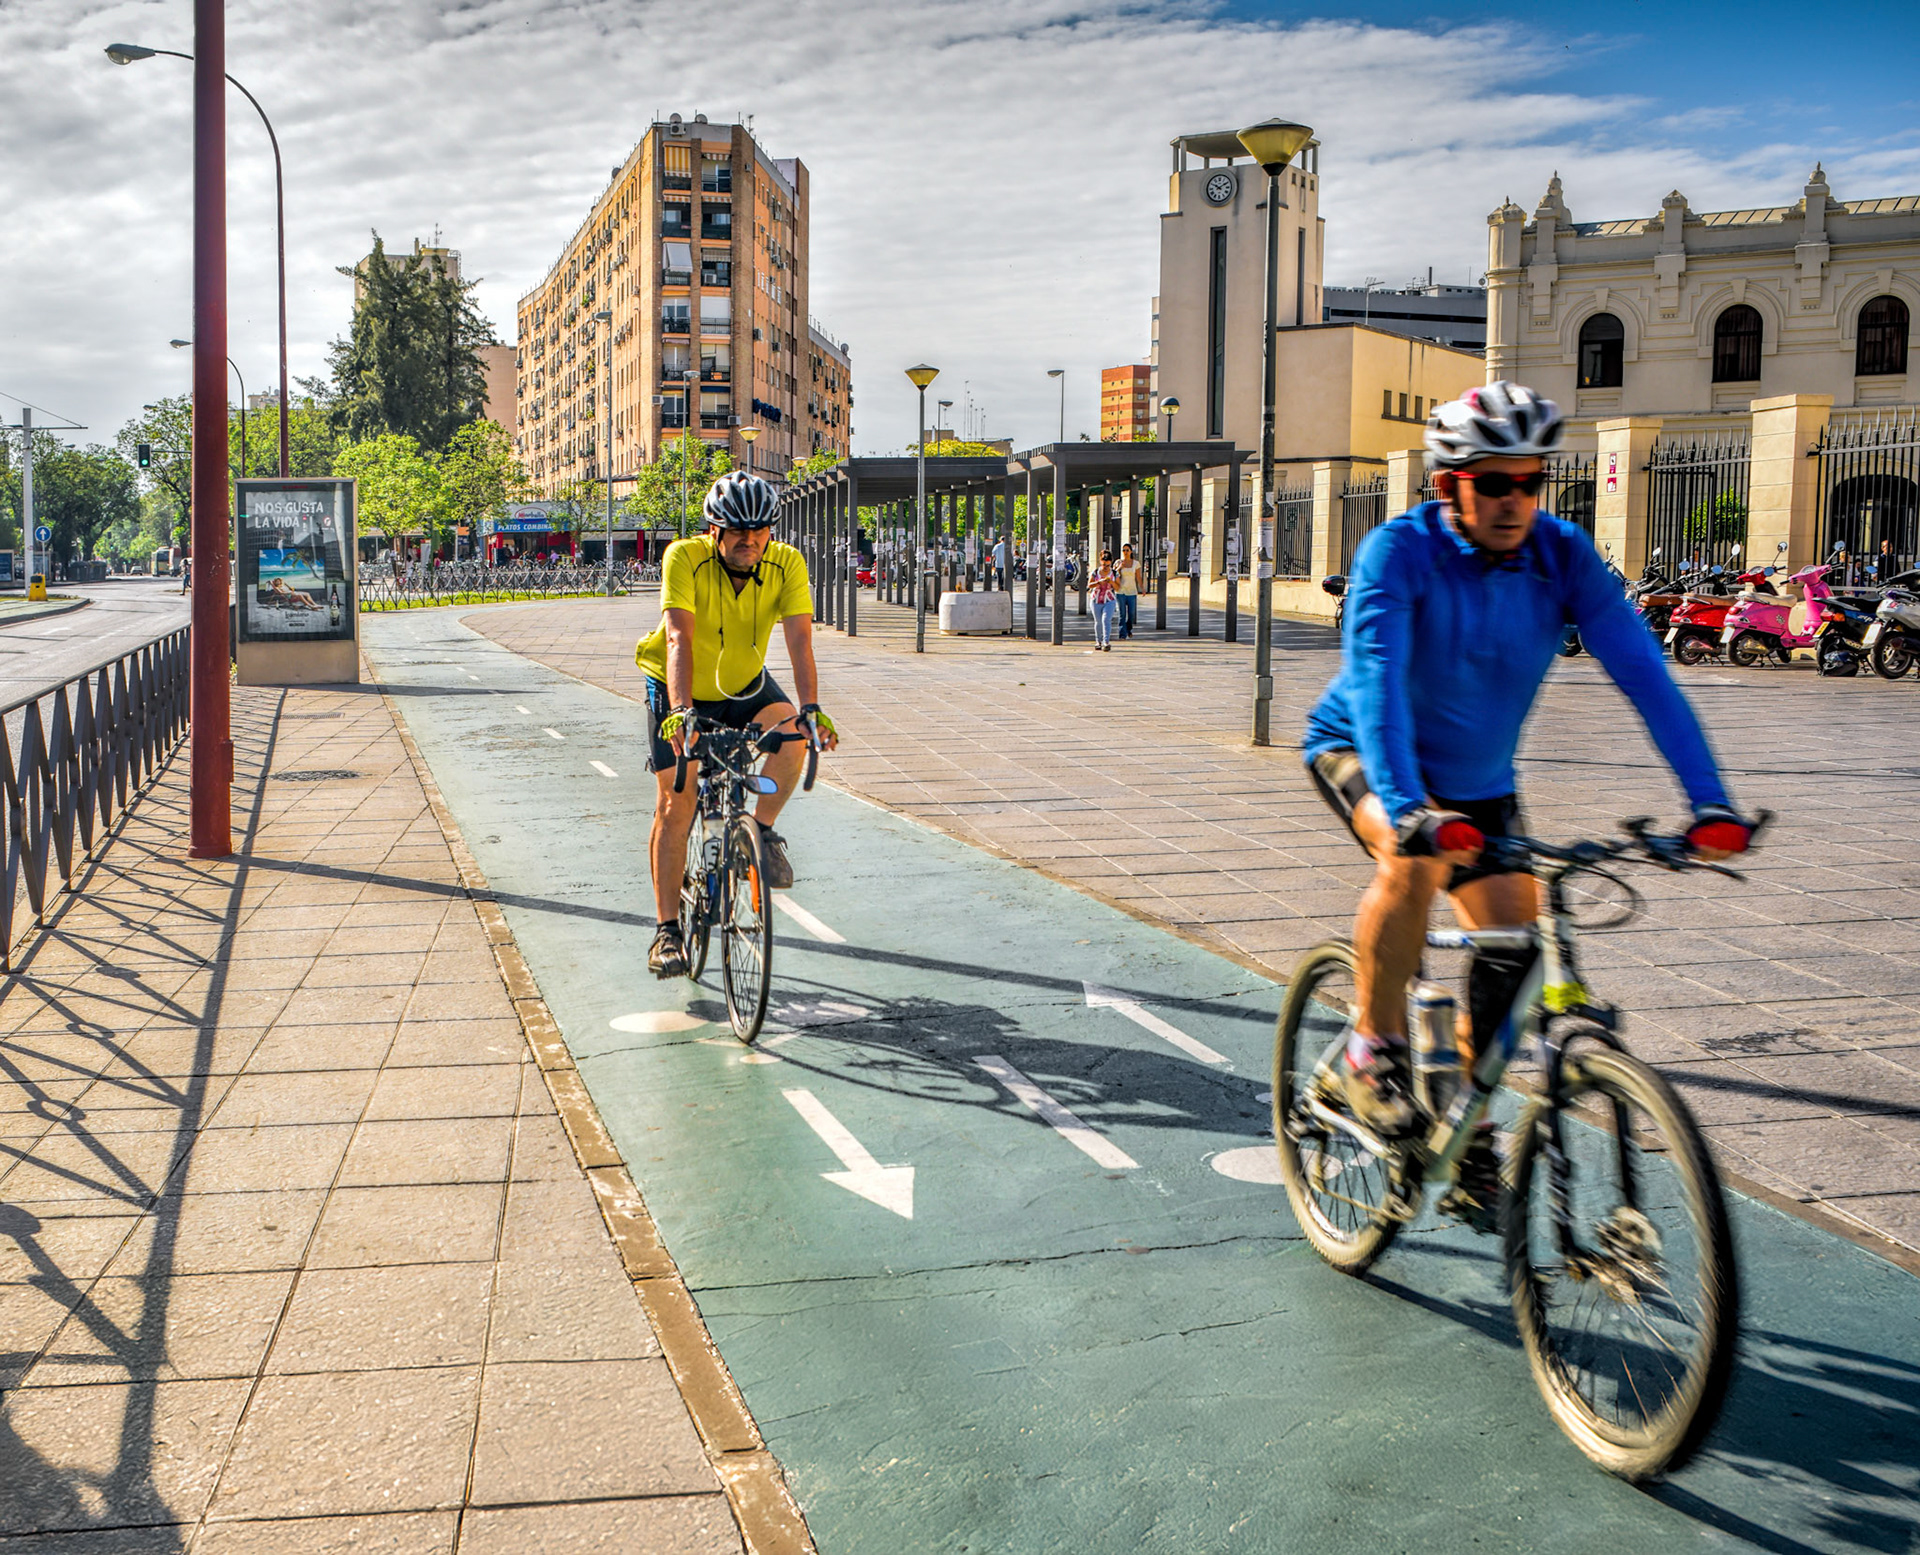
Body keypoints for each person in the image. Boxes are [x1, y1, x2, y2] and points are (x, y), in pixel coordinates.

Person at [1300, 382, 1757, 1165]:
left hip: (1480, 782)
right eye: (1495, 482)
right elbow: (1377, 685)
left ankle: (1465, 1109)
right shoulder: (1397, 554)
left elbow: (1647, 675)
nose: (1517, 500)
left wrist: (1710, 802)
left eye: (1531, 480)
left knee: (1515, 936)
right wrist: (1410, 808)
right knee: (1414, 862)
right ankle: (1367, 1053)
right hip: (1369, 752)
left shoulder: (1562, 555)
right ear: (1450, 485)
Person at [637, 471, 840, 978]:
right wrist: (682, 712)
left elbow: (799, 641)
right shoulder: (683, 557)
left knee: (793, 736)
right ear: (714, 530)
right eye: (737, 530)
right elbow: (679, 637)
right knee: (676, 801)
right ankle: (667, 931)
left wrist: (811, 708)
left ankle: (762, 832)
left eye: (760, 530)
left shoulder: (786, 562)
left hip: (744, 683)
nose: (750, 540)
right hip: (675, 686)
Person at [1114, 542, 1144, 639]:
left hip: (1132, 591)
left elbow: (1138, 577)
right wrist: (1119, 568)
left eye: (1127, 550)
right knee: (1122, 614)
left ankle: (1128, 628)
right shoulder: (1118, 562)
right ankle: (1122, 634)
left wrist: (1142, 588)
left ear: (1131, 551)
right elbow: (1113, 574)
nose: (1125, 552)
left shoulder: (1136, 564)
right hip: (1121, 591)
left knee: (1131, 614)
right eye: (1124, 550)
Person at [1089, 551, 1118, 651]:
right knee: (1098, 621)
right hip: (1095, 599)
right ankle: (1098, 641)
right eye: (1103, 564)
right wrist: (1098, 582)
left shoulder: (1114, 573)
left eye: (1107, 565)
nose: (1105, 567)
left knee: (1106, 620)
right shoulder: (1095, 572)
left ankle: (1106, 642)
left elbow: (1118, 587)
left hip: (1109, 599)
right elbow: (1089, 585)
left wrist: (1111, 582)